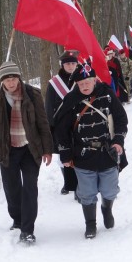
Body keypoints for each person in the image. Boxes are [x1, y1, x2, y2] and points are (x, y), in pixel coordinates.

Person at [0, 61, 53, 244]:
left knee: (30, 188)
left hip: (30, 149)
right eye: (7, 80)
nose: (11, 83)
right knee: (12, 191)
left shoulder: (33, 94)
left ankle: (27, 230)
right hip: (7, 150)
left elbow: (43, 123)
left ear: (19, 77)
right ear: (2, 81)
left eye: (14, 79)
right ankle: (18, 219)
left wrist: (47, 149)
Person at [54, 63, 128, 239]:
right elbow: (61, 129)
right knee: (87, 194)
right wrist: (65, 154)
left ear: (94, 80)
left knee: (110, 190)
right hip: (83, 155)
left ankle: (106, 209)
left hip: (107, 153)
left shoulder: (107, 95)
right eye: (81, 84)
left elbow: (121, 119)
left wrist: (118, 140)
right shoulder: (71, 101)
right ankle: (90, 224)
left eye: (88, 82)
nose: (85, 86)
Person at [45, 50, 79, 198]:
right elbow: (49, 106)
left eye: (73, 63)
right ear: (62, 65)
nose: (70, 66)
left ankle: (79, 188)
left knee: (79, 155)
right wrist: (51, 127)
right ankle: (67, 182)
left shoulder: (81, 79)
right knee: (64, 156)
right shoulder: (54, 83)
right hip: (61, 126)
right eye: (68, 64)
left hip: (79, 124)